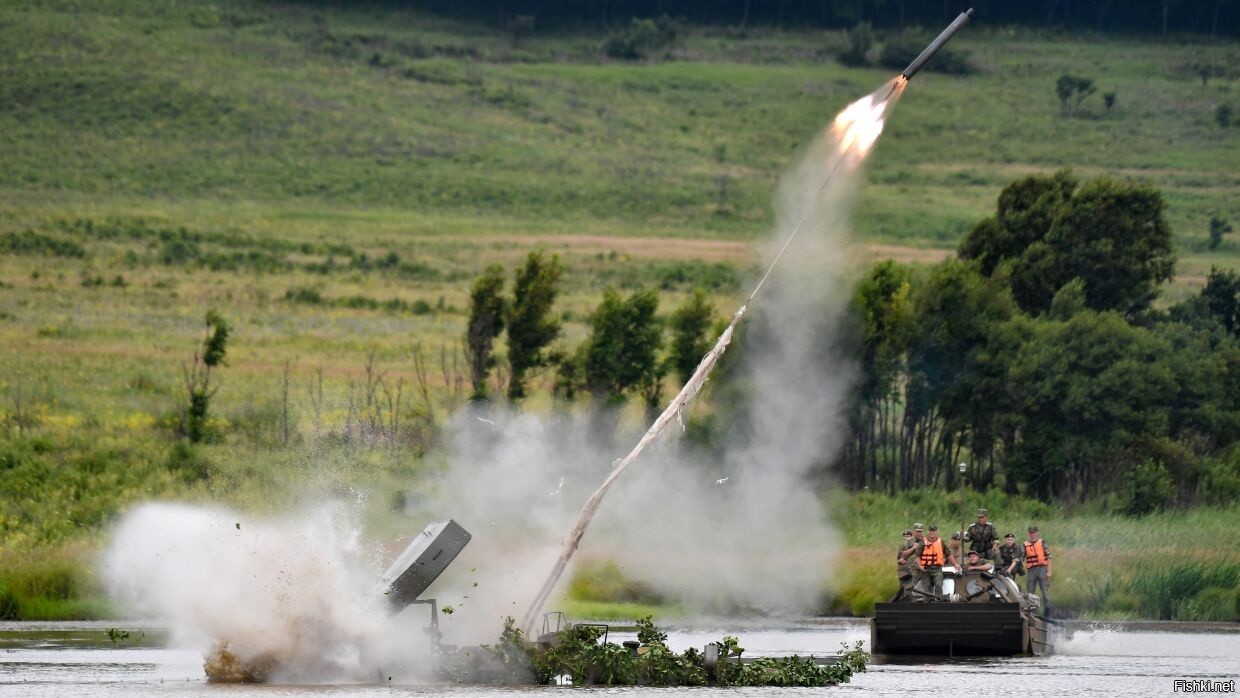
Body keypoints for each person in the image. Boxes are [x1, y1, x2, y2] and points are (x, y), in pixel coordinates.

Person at [917, 525, 955, 598]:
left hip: (937, 568)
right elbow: (918, 556)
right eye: (931, 530)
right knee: (926, 587)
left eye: (934, 530)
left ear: (936, 531)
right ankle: (927, 603)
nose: (932, 532)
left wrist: (955, 564)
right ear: (928, 531)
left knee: (938, 584)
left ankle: (938, 601)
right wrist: (920, 566)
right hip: (925, 569)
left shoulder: (941, 542)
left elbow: (948, 554)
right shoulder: (923, 542)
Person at [1024, 526, 1052, 614]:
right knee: (1030, 593)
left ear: (1037, 533)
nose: (1032, 535)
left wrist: (1049, 571)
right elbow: (1020, 557)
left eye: (1034, 533)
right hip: (1031, 571)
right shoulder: (1025, 544)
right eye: (1030, 533)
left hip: (1042, 569)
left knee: (1045, 593)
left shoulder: (1042, 542)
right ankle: (1032, 613)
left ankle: (1047, 613)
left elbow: (1049, 557)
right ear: (1028, 533)